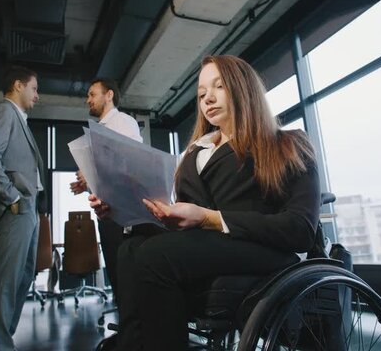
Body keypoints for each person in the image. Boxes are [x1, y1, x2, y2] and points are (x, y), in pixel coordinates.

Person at [91, 55, 321, 351]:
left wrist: (209, 218)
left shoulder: (288, 144)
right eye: (201, 94)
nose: (207, 98)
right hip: (207, 245)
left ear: (243, 88)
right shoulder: (194, 153)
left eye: (219, 87)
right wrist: (123, 205)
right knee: (131, 249)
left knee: (155, 256)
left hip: (263, 248)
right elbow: (182, 218)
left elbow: (300, 229)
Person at [0, 65, 48, 351]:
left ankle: (3, 340)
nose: (37, 95)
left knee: (23, 277)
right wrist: (12, 197)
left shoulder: (19, 119)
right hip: (15, 209)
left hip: (28, 209)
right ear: (18, 85)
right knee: (7, 283)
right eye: (34, 88)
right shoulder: (4, 111)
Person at [70, 78, 142, 299]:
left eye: (92, 94)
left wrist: (91, 170)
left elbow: (133, 163)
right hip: (105, 211)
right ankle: (126, 329)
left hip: (122, 213)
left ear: (109, 95)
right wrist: (88, 183)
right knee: (115, 273)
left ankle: (132, 331)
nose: (88, 99)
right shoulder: (99, 129)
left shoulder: (123, 122)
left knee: (126, 277)